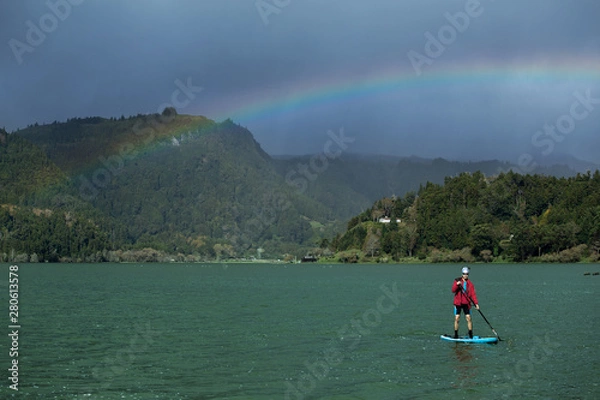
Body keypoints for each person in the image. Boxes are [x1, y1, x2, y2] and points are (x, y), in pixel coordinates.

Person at [452, 266, 479, 338]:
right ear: (462, 274)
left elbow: (473, 294)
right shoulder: (457, 281)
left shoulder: (470, 284)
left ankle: (470, 334)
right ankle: (456, 334)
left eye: (466, 274)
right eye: (464, 274)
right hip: (458, 303)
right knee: (457, 318)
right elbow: (453, 290)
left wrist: (476, 303)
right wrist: (457, 285)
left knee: (468, 318)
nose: (465, 275)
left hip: (466, 303)